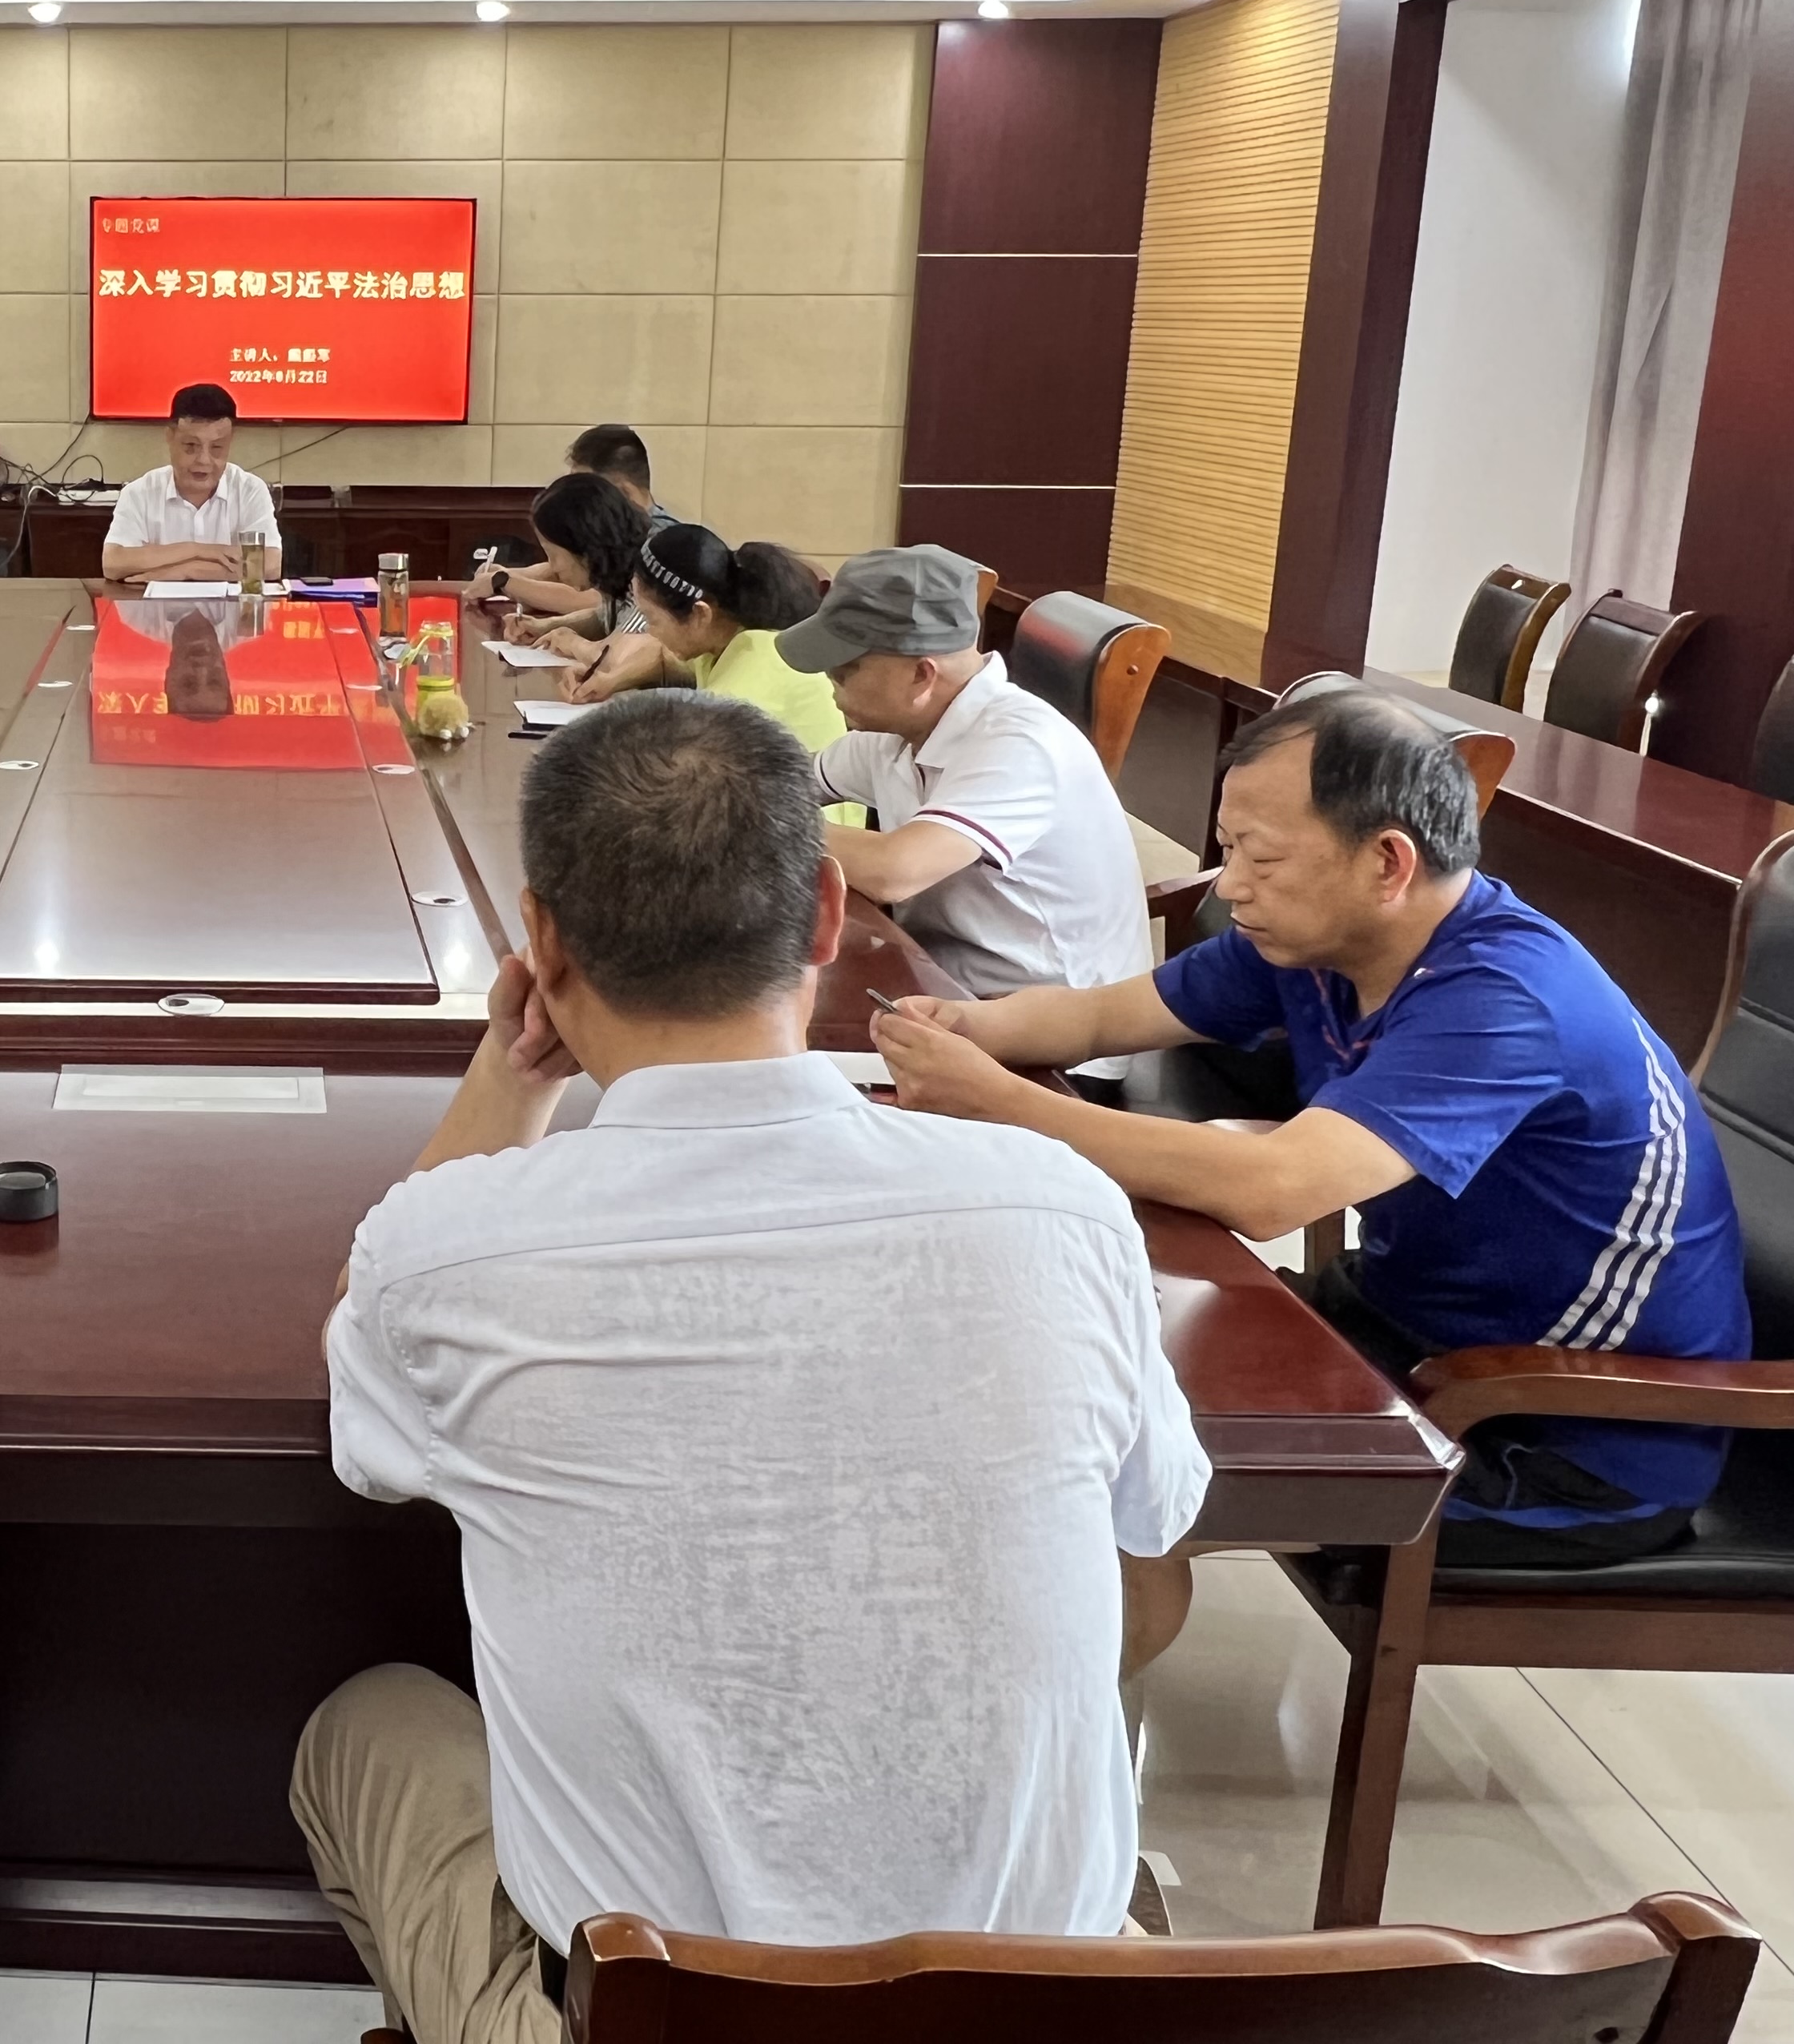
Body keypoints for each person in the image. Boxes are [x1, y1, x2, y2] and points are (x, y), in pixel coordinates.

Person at [293, 694, 1206, 2044]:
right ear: (827, 913)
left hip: (640, 2017)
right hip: (1030, 2008)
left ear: (542, 942)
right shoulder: (1058, 1203)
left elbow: (362, 1355)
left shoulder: (447, 1251)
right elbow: (1154, 1534)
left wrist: (511, 1073)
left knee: (363, 1726)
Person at [875, 687, 1752, 1574]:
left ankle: (1076, 1662)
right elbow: (1103, 1018)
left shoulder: (1506, 1000)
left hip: (1565, 1431)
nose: (1231, 885)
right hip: (1405, 1327)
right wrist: (967, 1028)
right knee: (1074, 1377)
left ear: (1388, 862)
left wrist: (1002, 1102)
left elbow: (1272, 1191)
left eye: (1259, 856)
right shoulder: (1319, 940)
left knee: (1115, 1474)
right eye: (1226, 849)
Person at [778, 543, 1148, 1084]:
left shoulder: (1020, 743)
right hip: (945, 990)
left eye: (844, 671)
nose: (830, 686)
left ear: (920, 675)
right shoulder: (895, 731)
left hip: (1056, 1046)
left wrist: (760, 815)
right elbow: (787, 782)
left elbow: (894, 870)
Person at [569, 527, 859, 825]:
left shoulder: (755, 665)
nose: (650, 633)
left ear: (700, 614)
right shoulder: (728, 640)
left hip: (818, 834)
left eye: (652, 620)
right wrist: (614, 680)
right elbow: (662, 661)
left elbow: (683, 769)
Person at [467, 426, 689, 617]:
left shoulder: (662, 549)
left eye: (586, 492)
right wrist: (512, 574)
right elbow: (568, 567)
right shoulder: (617, 538)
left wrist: (506, 582)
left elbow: (592, 602)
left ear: (623, 492)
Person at [100, 383, 282, 581]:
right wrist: (196, 550)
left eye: (217, 447)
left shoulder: (250, 490)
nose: (204, 460)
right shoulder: (140, 492)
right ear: (170, 437)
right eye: (191, 446)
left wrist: (189, 571)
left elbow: (270, 565)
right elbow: (113, 563)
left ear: (230, 441)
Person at [497, 473, 651, 666]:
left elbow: (622, 657)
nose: (553, 567)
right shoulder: (617, 572)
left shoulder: (648, 578)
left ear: (585, 548)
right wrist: (544, 627)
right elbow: (605, 619)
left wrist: (575, 644)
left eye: (552, 554)